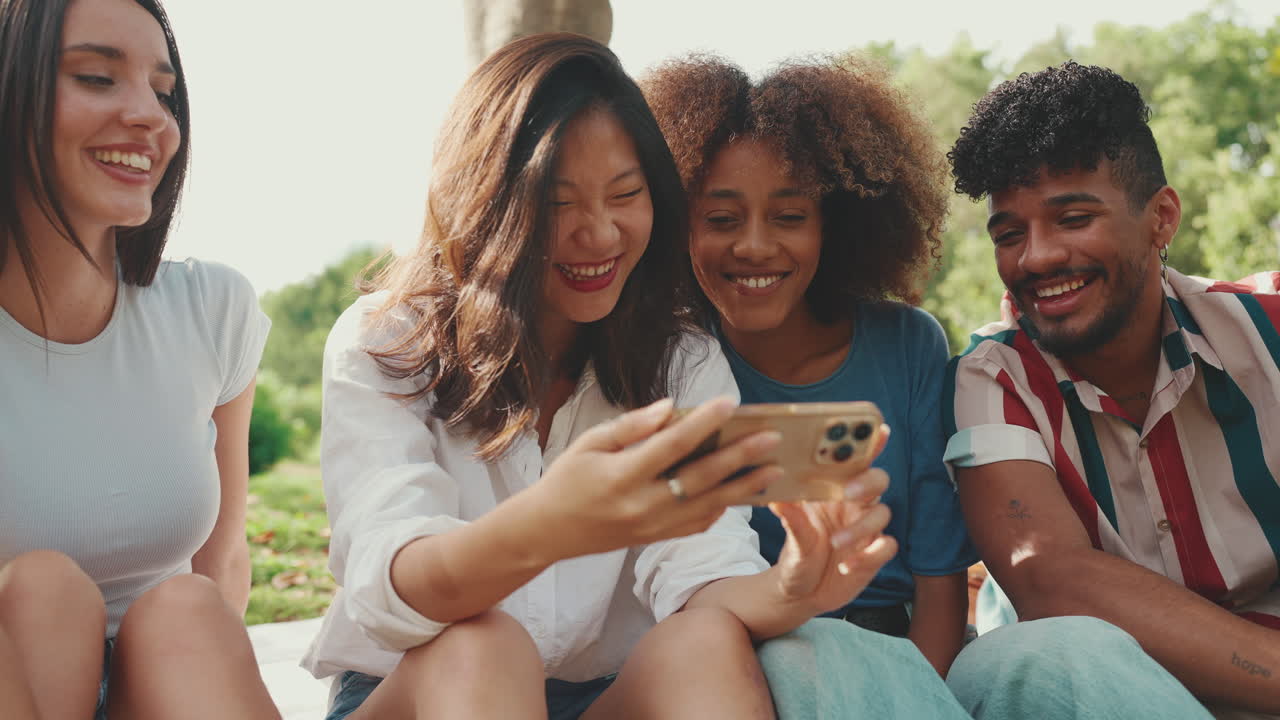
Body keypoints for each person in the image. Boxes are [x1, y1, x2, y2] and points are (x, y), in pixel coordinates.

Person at [302, 33, 900, 720]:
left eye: (625, 194)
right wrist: (553, 525)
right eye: (558, 203)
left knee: (704, 640)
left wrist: (797, 587)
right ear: (486, 201)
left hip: (598, 699)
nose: (601, 233)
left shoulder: (683, 358)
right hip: (418, 691)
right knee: (482, 645)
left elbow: (701, 574)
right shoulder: (389, 342)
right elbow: (392, 585)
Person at [944, 60, 1279, 720]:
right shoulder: (993, 377)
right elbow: (1053, 579)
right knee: (1023, 659)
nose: (1036, 257)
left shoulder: (1267, 334)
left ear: (1161, 219)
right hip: (1109, 699)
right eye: (1010, 233)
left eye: (1072, 218)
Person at [641, 54, 977, 678]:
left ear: (836, 224)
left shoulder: (909, 345)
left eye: (790, 217)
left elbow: (940, 580)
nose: (755, 246)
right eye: (721, 218)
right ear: (675, 225)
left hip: (906, 663)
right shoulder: (669, 365)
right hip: (751, 672)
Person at [0, 0, 278, 718]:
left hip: (166, 682)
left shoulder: (212, 309)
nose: (152, 117)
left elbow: (223, 566)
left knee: (187, 607)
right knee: (42, 594)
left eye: (163, 91)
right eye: (96, 77)